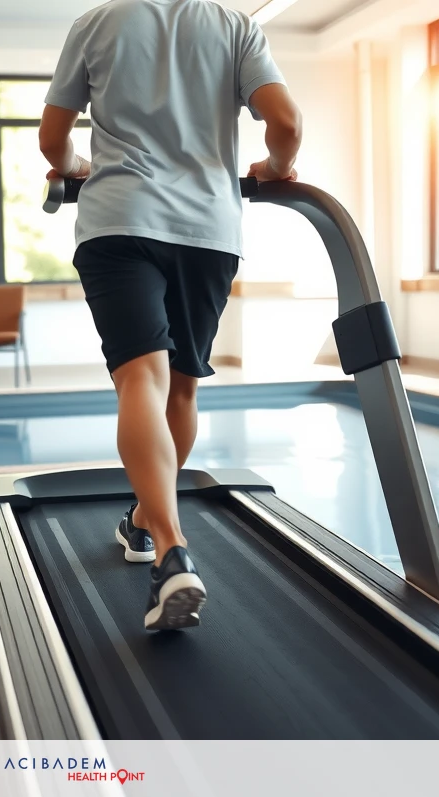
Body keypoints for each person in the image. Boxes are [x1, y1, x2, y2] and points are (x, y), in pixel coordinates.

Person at [38, 0, 302, 631]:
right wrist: (276, 170)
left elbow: (52, 139)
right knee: (180, 388)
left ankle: (168, 547)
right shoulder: (237, 28)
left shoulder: (95, 24)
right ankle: (144, 526)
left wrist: (75, 168)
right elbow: (286, 122)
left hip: (119, 222)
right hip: (208, 231)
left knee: (141, 380)